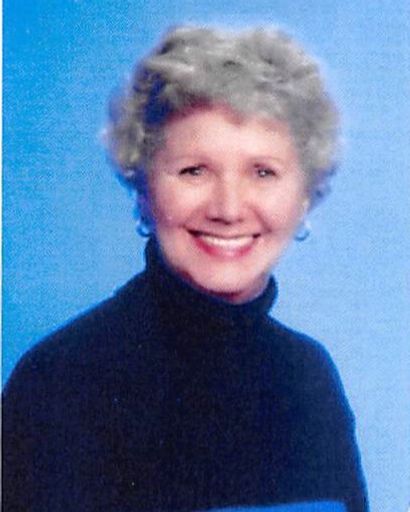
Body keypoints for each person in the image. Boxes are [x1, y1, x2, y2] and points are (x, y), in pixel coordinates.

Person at [2, 25, 369, 512]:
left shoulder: (307, 376)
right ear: (143, 188)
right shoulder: (63, 382)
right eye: (194, 170)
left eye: (263, 172)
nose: (229, 208)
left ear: (305, 196)